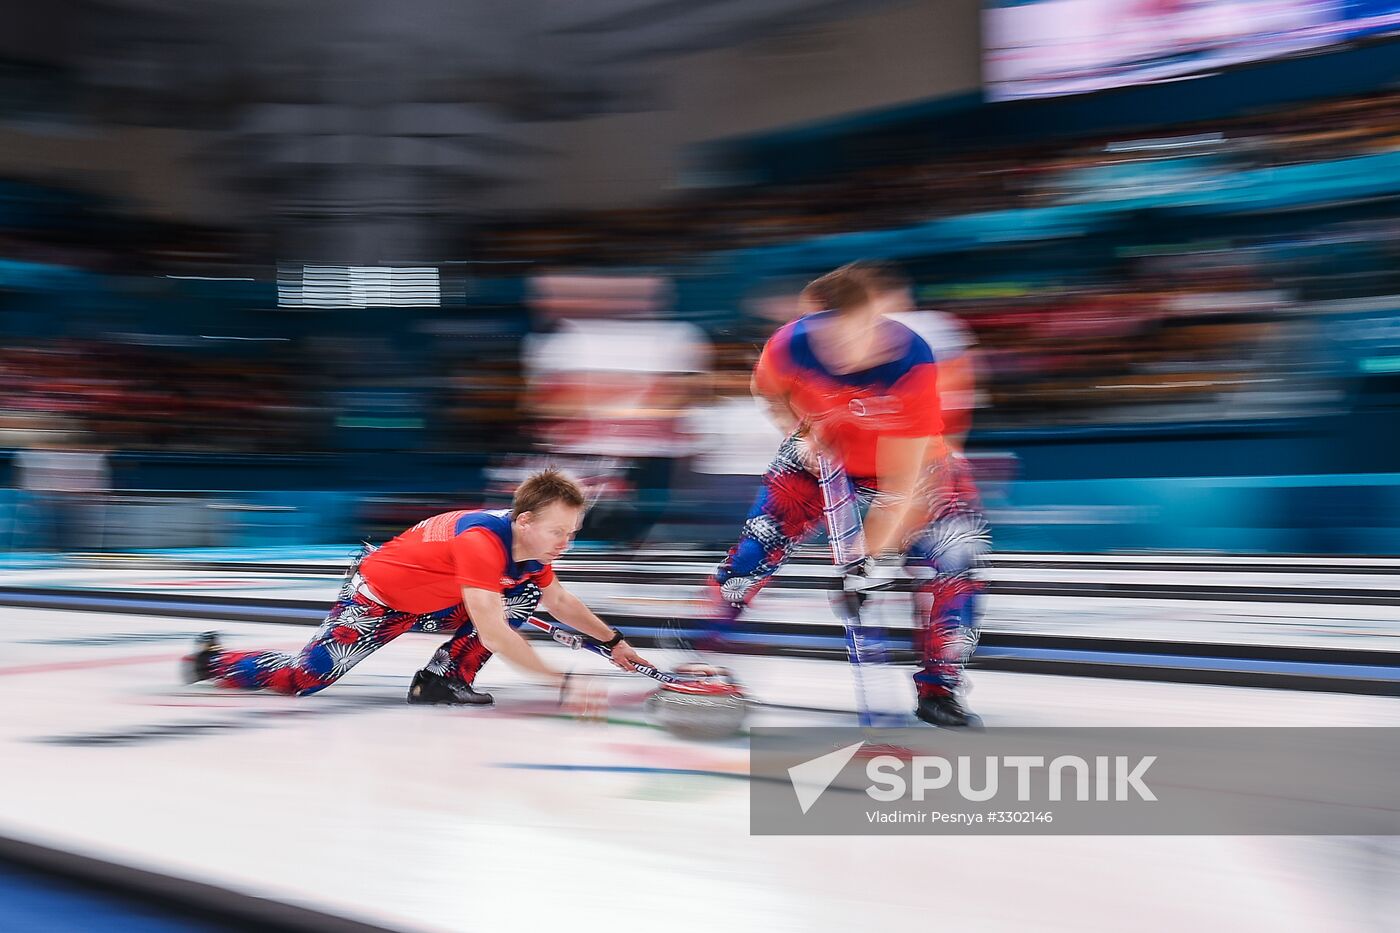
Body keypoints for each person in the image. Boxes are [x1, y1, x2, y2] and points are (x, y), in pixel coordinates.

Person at [708, 261, 991, 728]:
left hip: (912, 465)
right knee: (756, 548)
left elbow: (902, 488)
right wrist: (798, 432)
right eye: (821, 336)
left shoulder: (911, 362)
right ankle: (705, 637)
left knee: (958, 559)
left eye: (848, 338)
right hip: (824, 451)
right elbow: (767, 391)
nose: (834, 352)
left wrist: (867, 564)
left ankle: (941, 686)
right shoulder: (791, 342)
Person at [184, 469, 651, 706]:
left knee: (524, 595)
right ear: (525, 521)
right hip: (377, 601)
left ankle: (442, 681)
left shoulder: (528, 550)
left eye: (573, 533)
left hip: (435, 602)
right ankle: (212, 660)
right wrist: (559, 681)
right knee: (302, 680)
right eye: (559, 533)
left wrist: (614, 643)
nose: (566, 543)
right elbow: (493, 632)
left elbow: (560, 600)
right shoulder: (481, 543)